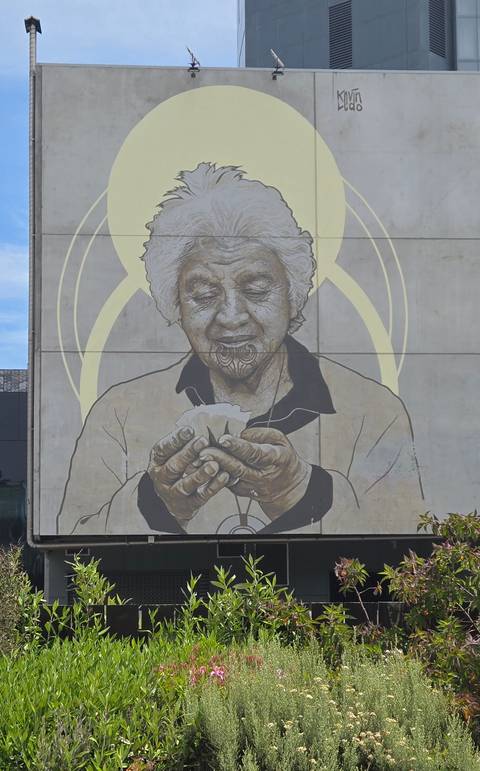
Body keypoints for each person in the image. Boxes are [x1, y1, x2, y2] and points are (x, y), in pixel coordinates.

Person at [57, 163, 424, 536]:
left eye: (256, 289)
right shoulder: (118, 414)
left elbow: (411, 552)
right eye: (203, 295)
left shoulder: (372, 412)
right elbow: (72, 548)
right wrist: (158, 504)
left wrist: (300, 492)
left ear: (292, 297)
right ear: (176, 306)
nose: (231, 317)